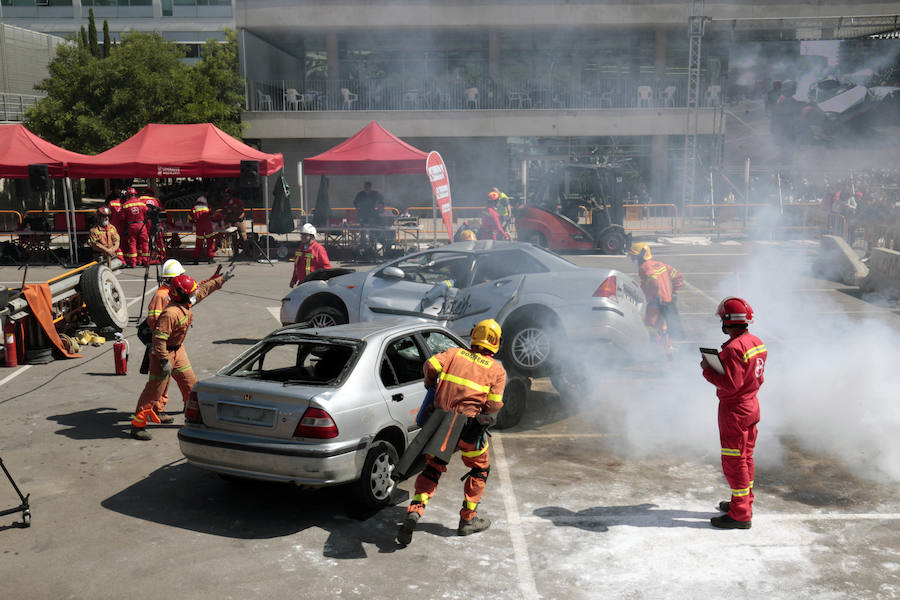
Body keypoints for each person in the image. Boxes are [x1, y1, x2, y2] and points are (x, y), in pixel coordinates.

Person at [396, 319, 506, 546]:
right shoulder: (496, 370)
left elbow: (430, 366)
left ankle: (414, 512)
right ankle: (468, 520)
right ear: (496, 343)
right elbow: (494, 406)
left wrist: (430, 384)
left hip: (441, 425)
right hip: (469, 430)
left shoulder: (454, 353)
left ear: (474, 336)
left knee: (432, 469)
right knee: (480, 468)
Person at [131, 270, 230, 440]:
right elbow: (158, 339)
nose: (194, 295)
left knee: (191, 384)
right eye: (191, 293)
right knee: (154, 391)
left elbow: (203, 290)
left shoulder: (184, 303)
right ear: (183, 295)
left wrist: (221, 280)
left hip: (177, 350)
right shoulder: (171, 314)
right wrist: (163, 361)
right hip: (163, 354)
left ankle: (194, 416)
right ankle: (137, 425)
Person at [700, 297, 767, 529]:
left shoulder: (733, 348)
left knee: (734, 459)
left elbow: (730, 384)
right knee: (746, 457)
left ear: (728, 321)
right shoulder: (756, 342)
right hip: (751, 405)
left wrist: (707, 370)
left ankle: (740, 514)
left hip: (735, 410)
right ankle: (742, 501)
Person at [142, 258, 186, 422]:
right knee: (161, 382)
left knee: (187, 379)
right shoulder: (162, 295)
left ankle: (191, 405)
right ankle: (155, 411)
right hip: (165, 346)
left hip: (176, 344)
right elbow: (155, 323)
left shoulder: (174, 292)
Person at [629, 242, 684, 356]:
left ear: (641, 255)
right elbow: (678, 276)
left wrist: (649, 297)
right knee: (663, 326)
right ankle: (668, 350)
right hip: (667, 302)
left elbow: (653, 283)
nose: (633, 259)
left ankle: (655, 352)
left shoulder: (644, 267)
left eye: (634, 256)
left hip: (655, 303)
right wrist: (674, 293)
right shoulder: (660, 264)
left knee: (650, 326)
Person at [289, 223, 331, 287]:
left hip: (314, 284)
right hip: (302, 284)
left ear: (312, 236)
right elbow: (297, 267)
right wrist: (293, 280)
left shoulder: (319, 249)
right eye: (302, 235)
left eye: (305, 235)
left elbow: (326, 267)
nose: (302, 237)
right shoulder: (300, 249)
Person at [122, 188, 149, 267]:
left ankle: (133, 263)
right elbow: (147, 214)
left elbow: (123, 218)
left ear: (128, 195)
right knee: (144, 243)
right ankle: (146, 261)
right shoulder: (142, 203)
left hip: (131, 226)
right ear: (135, 194)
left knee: (132, 244)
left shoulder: (125, 205)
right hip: (142, 225)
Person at [354, 181, 384, 251]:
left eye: (368, 187)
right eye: (365, 187)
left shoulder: (375, 193)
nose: (367, 188)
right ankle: (363, 245)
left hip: (372, 215)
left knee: (372, 230)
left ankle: (372, 245)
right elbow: (355, 202)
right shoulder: (360, 194)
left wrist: (379, 206)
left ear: (370, 188)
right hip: (362, 215)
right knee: (363, 231)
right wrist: (359, 208)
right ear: (364, 187)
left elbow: (382, 199)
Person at [190, 196, 216, 264]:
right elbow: (213, 216)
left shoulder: (194, 208)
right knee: (210, 242)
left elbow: (190, 218)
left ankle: (196, 259)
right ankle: (210, 259)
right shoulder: (207, 207)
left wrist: (194, 223)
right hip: (208, 226)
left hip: (199, 226)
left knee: (199, 242)